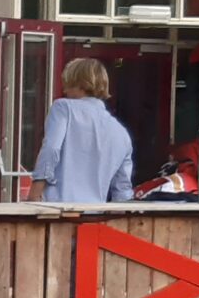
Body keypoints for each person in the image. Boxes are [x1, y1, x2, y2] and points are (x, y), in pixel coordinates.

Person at [31, 57, 135, 204]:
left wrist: (34, 194)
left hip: (57, 210)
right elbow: (122, 191)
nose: (65, 90)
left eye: (69, 84)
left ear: (80, 84)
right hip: (94, 215)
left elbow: (51, 149)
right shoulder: (122, 133)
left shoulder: (63, 108)